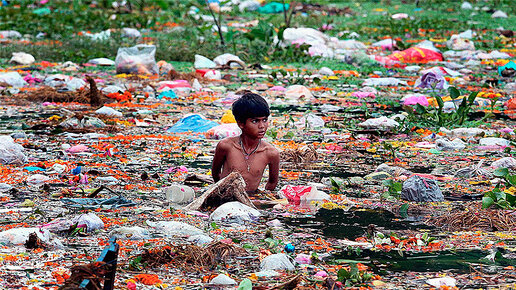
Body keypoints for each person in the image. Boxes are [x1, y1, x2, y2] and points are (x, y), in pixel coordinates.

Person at [211, 93, 280, 195]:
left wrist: (258, 199)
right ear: (241, 124)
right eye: (255, 121)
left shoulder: (271, 153)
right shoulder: (226, 146)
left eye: (264, 120)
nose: (262, 126)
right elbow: (216, 173)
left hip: (251, 199)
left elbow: (272, 182)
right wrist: (223, 193)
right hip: (225, 198)